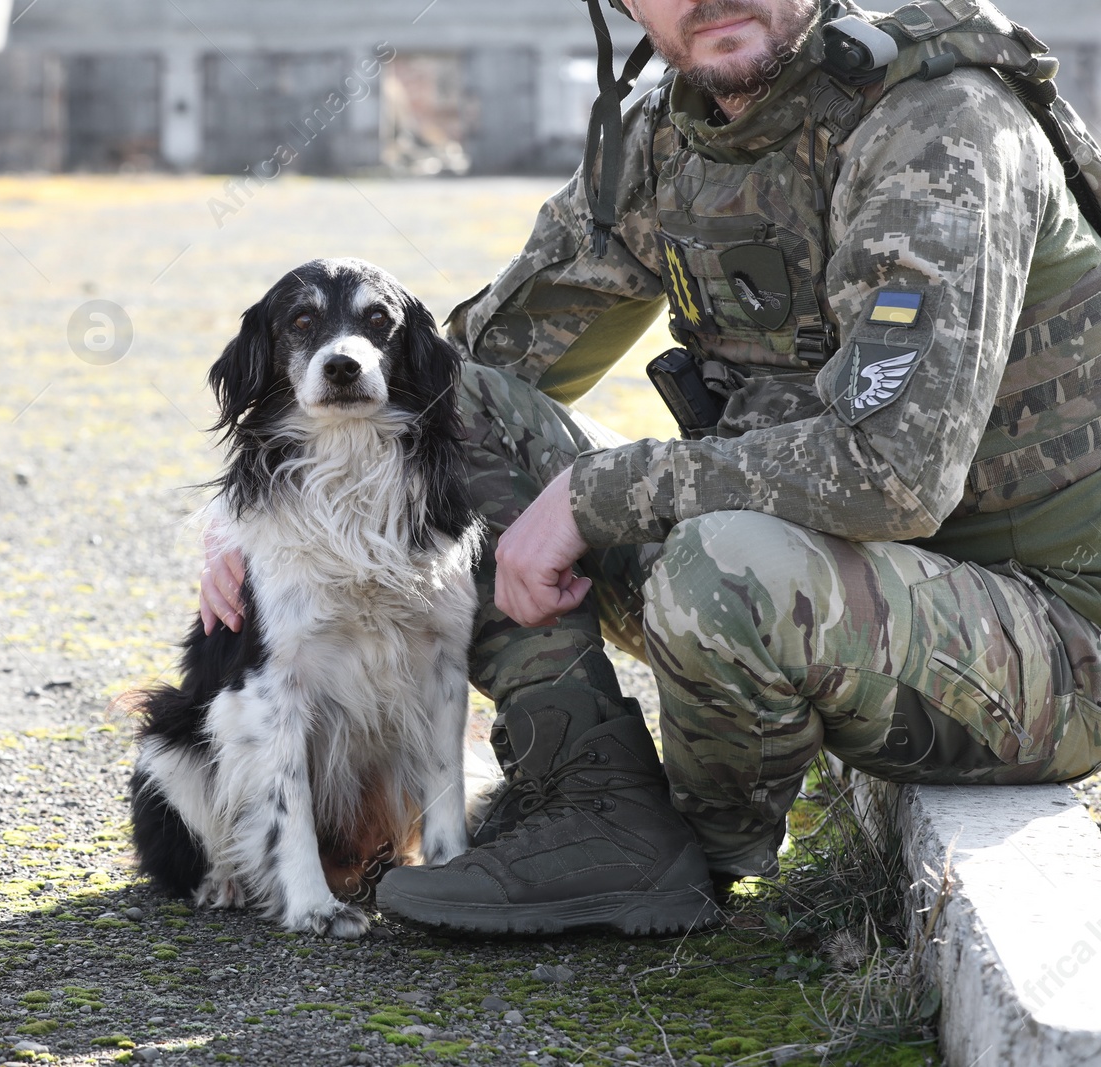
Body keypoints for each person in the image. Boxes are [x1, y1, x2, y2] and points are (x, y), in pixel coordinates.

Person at [202, 0, 1101, 935]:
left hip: (1045, 634)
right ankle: (597, 800)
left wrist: (595, 493)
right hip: (839, 582)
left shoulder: (940, 127)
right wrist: (254, 535)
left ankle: (694, 849)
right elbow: (447, 379)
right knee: (468, 412)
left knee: (722, 568)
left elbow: (893, 472)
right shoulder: (667, 140)